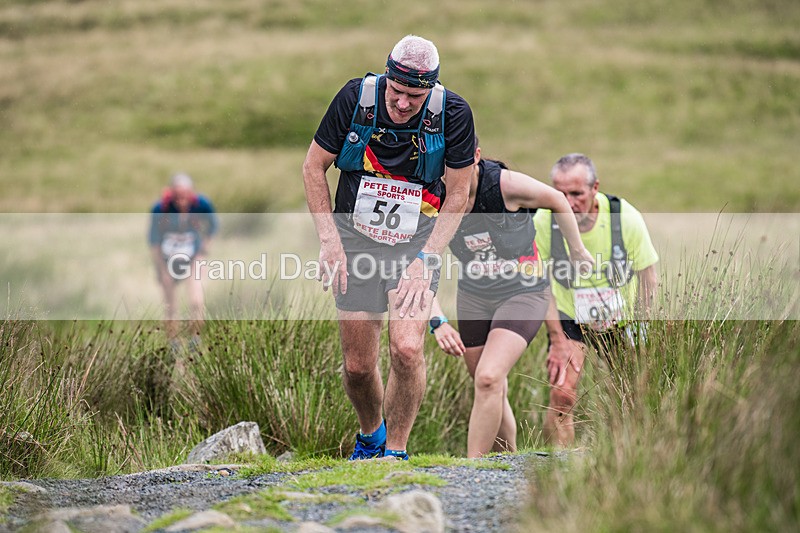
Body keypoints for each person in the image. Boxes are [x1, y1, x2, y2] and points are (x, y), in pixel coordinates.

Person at [302, 35, 475, 460]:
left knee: (408, 347)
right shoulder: (355, 98)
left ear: (430, 88)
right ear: (386, 78)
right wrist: (329, 241)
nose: (402, 103)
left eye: (414, 96)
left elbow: (459, 193)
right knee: (359, 367)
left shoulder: (452, 113)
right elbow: (312, 166)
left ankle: (395, 452)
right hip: (355, 240)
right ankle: (371, 437)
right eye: (396, 92)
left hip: (416, 242)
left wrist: (426, 257)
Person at [429, 142, 592, 458]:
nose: (449, 175)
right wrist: (436, 320)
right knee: (486, 382)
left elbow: (557, 199)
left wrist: (577, 249)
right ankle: (509, 462)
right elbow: (416, 261)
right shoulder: (434, 196)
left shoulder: (504, 185)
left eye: (457, 165)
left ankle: (472, 468)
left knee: (489, 378)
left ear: (475, 157)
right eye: (441, 166)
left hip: (523, 291)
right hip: (474, 295)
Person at [533, 153, 659, 446]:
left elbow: (648, 277)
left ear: (594, 188)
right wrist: (556, 339)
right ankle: (560, 467)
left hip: (622, 319)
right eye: (560, 194)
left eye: (576, 194)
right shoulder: (543, 221)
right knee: (562, 393)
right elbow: (539, 285)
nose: (568, 202)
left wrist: (640, 326)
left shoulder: (625, 217)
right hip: (570, 316)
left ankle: (631, 454)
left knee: (634, 393)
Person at [148, 172, 218, 352]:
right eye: (178, 197)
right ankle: (173, 342)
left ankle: (195, 338)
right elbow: (154, 242)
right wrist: (161, 270)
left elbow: (213, 226)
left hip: (193, 257)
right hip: (167, 260)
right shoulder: (160, 209)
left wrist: (203, 250)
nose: (182, 201)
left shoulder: (201, 204)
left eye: (185, 196)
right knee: (170, 303)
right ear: (171, 194)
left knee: (196, 299)